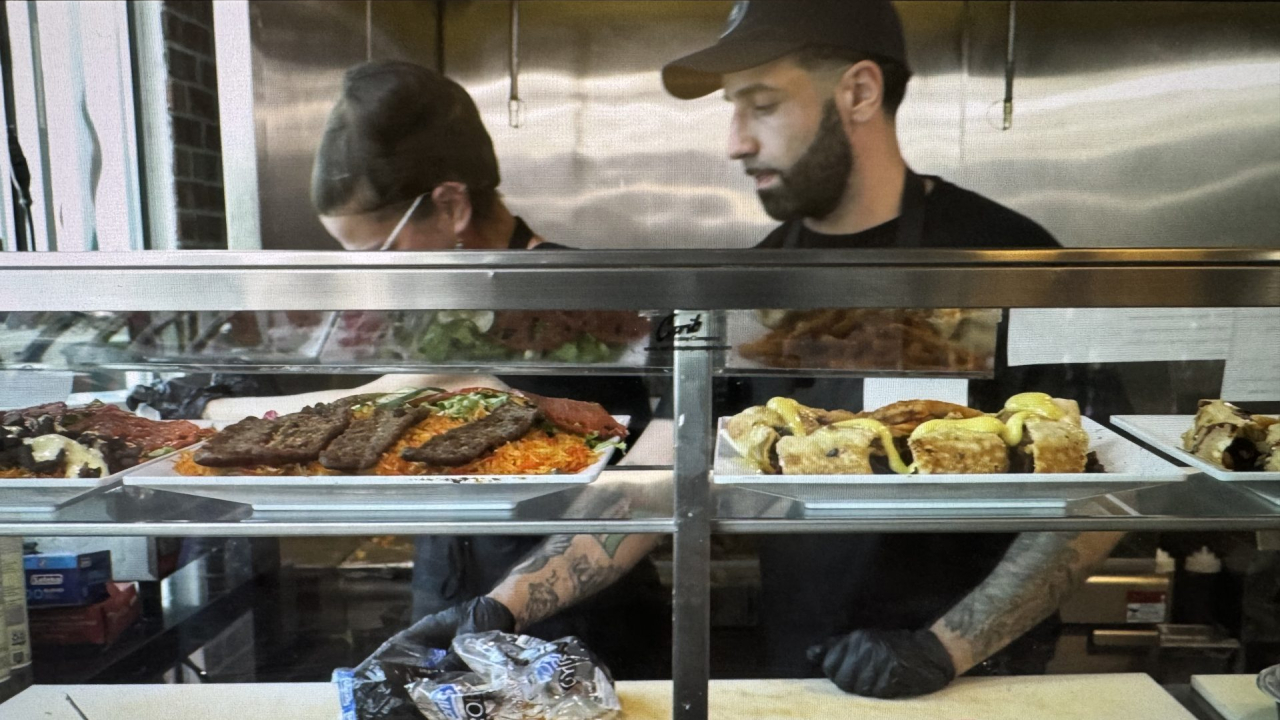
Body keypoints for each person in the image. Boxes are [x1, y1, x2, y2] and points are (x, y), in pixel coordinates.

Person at [360, 0, 1124, 701]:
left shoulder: (1008, 259)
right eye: (734, 110)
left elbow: (1102, 489)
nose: (735, 142)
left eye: (762, 106)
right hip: (799, 671)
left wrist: (947, 648)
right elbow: (658, 472)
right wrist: (496, 607)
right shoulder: (755, 283)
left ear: (859, 92)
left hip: (982, 684)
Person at [206, 60, 669, 678]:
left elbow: (434, 391)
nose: (379, 277)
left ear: (451, 205)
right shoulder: (443, 296)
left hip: (575, 619)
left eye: (380, 251)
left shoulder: (568, 296)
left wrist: (228, 421)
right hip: (448, 592)